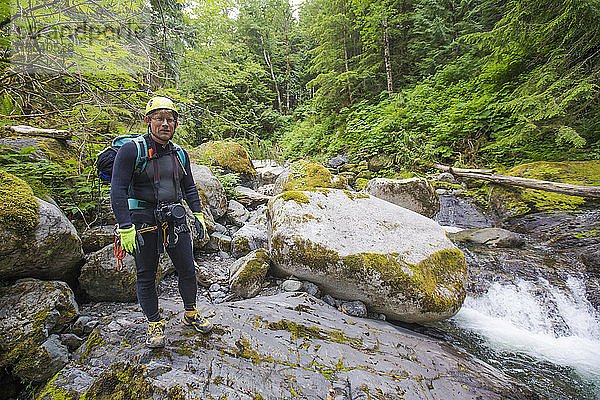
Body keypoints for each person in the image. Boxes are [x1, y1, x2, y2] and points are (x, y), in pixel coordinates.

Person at [111, 96, 212, 348]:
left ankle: (190, 313)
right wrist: (125, 226)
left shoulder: (179, 154)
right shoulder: (132, 150)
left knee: (188, 268)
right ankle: (154, 322)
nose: (165, 124)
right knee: (147, 273)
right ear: (148, 121)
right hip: (142, 219)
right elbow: (117, 190)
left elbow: (189, 187)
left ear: (175, 124)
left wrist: (198, 214)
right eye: (159, 118)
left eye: (170, 119)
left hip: (174, 218)